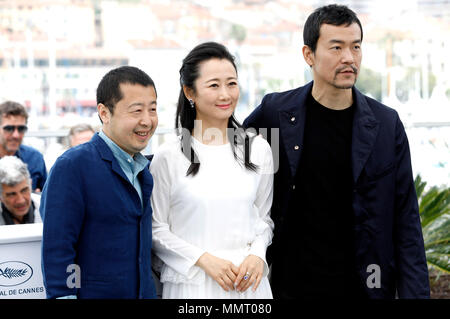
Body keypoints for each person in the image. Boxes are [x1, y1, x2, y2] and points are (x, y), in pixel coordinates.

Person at [244, 4, 429, 299]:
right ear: (309, 54)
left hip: (365, 285)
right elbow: (224, 157)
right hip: (290, 285)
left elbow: (406, 222)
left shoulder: (386, 124)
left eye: (356, 47)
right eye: (336, 47)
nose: (349, 58)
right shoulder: (275, 114)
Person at [150, 42, 274, 299]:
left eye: (232, 83)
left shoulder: (258, 149)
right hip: (192, 285)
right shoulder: (169, 155)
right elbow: (155, 229)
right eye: (214, 85)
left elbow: (264, 220)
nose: (226, 94)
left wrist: (257, 255)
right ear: (189, 92)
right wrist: (203, 259)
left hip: (248, 286)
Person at [41, 66, 158, 299]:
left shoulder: (144, 169)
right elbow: (58, 250)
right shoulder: (73, 166)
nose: (147, 120)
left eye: (153, 109)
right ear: (104, 113)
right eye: (136, 111)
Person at [0, 101, 47, 192]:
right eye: (9, 129)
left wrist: (36, 196)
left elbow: (47, 196)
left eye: (21, 129)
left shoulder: (34, 158)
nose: (16, 135)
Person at [0, 156, 41, 225]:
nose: (21, 201)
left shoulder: (48, 210)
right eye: (11, 194)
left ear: (31, 185)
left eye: (24, 190)